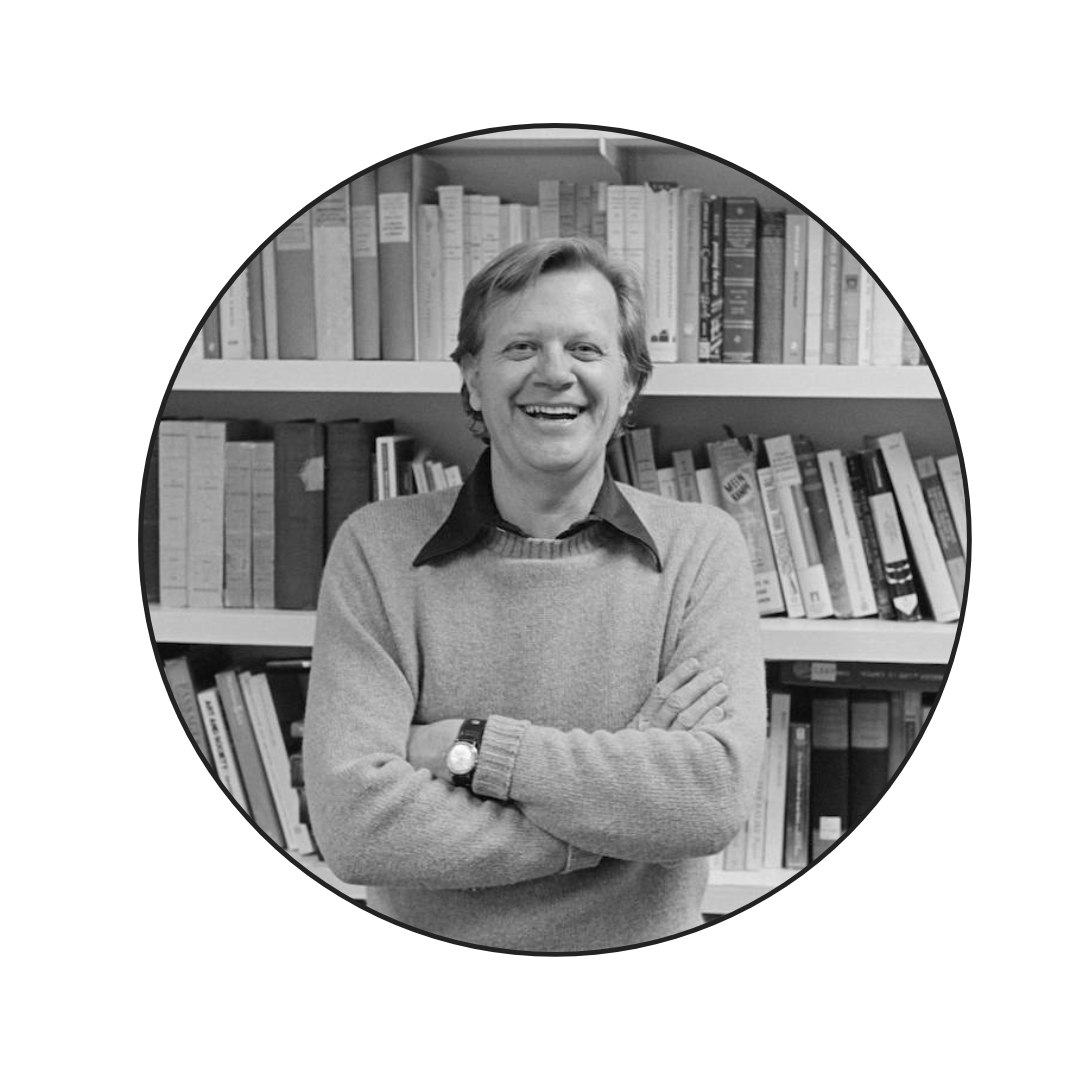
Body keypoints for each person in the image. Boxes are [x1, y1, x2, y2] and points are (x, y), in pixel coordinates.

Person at [303, 237, 766, 953]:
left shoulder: (702, 549)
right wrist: (613, 826)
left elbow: (709, 801)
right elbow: (357, 828)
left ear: (629, 384)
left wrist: (471, 747)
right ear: (472, 379)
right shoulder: (377, 549)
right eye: (521, 348)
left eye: (586, 349)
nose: (554, 374)